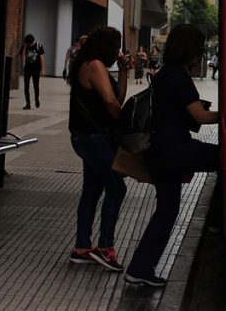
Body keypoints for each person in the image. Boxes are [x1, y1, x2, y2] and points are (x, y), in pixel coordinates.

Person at [125, 24, 219, 287]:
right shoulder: (178, 76)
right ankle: (220, 222)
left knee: (166, 211)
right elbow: (200, 116)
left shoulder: (167, 73)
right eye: (199, 50)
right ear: (189, 49)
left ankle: (140, 268)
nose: (200, 55)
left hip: (160, 152)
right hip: (172, 151)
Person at [67, 25, 132, 271]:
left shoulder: (92, 65)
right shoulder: (94, 65)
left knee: (92, 191)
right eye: (116, 48)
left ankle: (82, 248)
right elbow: (110, 104)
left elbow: (117, 99)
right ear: (107, 47)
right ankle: (105, 248)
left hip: (87, 137)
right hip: (92, 138)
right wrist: (127, 127)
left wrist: (124, 72)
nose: (118, 53)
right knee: (116, 187)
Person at [19, 34, 45, 109]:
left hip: (36, 69)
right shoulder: (25, 46)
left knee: (36, 86)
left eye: (29, 43)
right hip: (27, 69)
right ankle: (28, 104)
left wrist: (42, 70)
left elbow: (42, 58)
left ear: (32, 41)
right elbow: (23, 58)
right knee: (26, 87)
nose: (29, 45)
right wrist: (24, 47)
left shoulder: (39, 46)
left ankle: (36, 100)